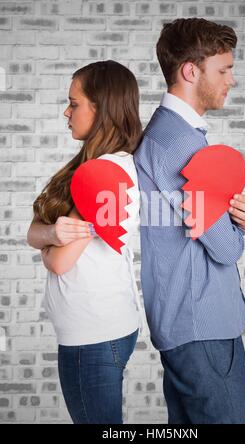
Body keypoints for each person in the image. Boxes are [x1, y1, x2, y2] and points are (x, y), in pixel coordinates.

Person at [134, 18, 245, 424]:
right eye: (223, 69)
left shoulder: (171, 135)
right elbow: (224, 248)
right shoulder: (178, 143)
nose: (232, 80)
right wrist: (238, 229)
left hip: (188, 321)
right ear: (191, 71)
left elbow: (202, 224)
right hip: (201, 324)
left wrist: (243, 217)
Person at [27, 60, 143, 424]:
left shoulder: (106, 173)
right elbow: (34, 231)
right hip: (95, 330)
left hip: (93, 335)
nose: (66, 111)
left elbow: (59, 261)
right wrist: (50, 236)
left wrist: (47, 243)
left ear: (101, 107)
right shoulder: (93, 165)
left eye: (74, 103)